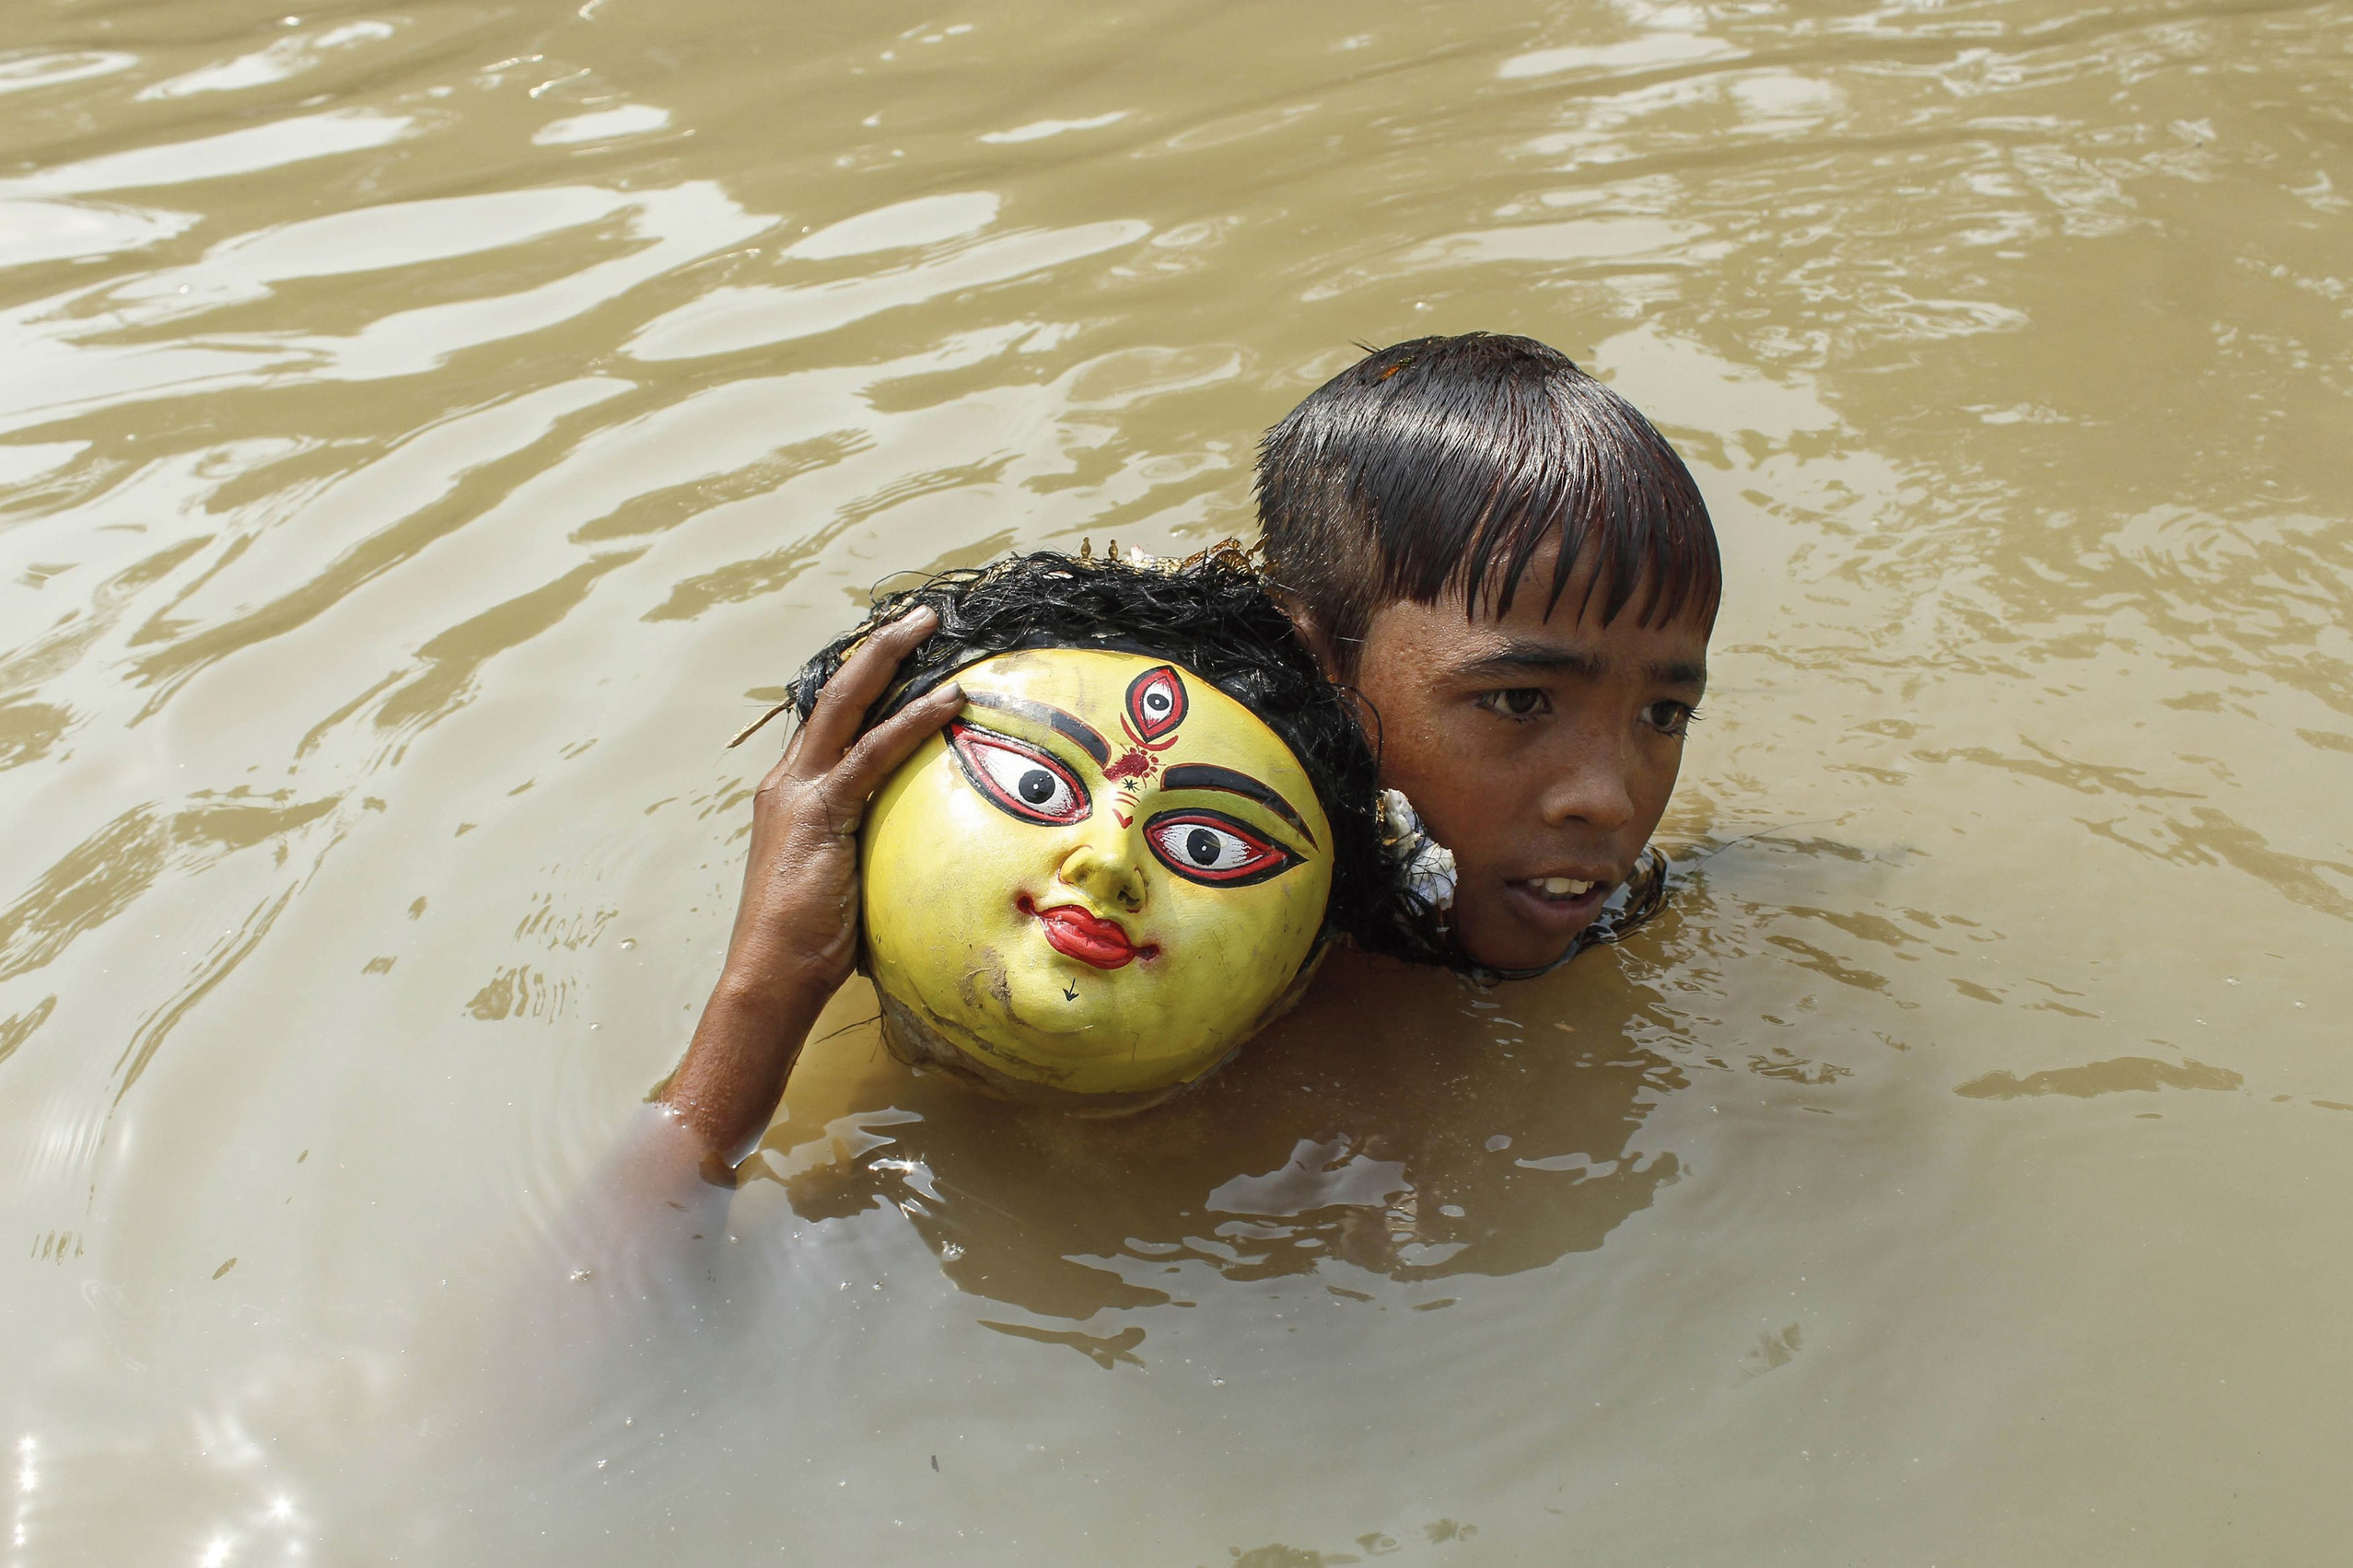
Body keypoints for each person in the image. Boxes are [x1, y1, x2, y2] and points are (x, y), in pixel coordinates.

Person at [659, 331, 1717, 1170]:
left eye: (1662, 717)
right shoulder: (1049, 960)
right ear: (1308, 665)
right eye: (1521, 698)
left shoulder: (1635, 917)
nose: (1607, 798)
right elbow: (624, 1307)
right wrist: (769, 982)